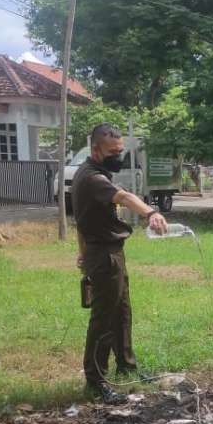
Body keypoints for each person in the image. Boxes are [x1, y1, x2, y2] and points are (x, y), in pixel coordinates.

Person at [72, 123, 168, 405]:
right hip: (104, 256)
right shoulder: (92, 178)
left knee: (121, 312)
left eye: (121, 150)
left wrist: (82, 253)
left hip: (106, 253)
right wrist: (151, 212)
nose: (119, 156)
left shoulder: (94, 174)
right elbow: (124, 197)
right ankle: (96, 380)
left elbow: (81, 221)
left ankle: (126, 365)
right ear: (96, 150)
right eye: (114, 151)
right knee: (103, 318)